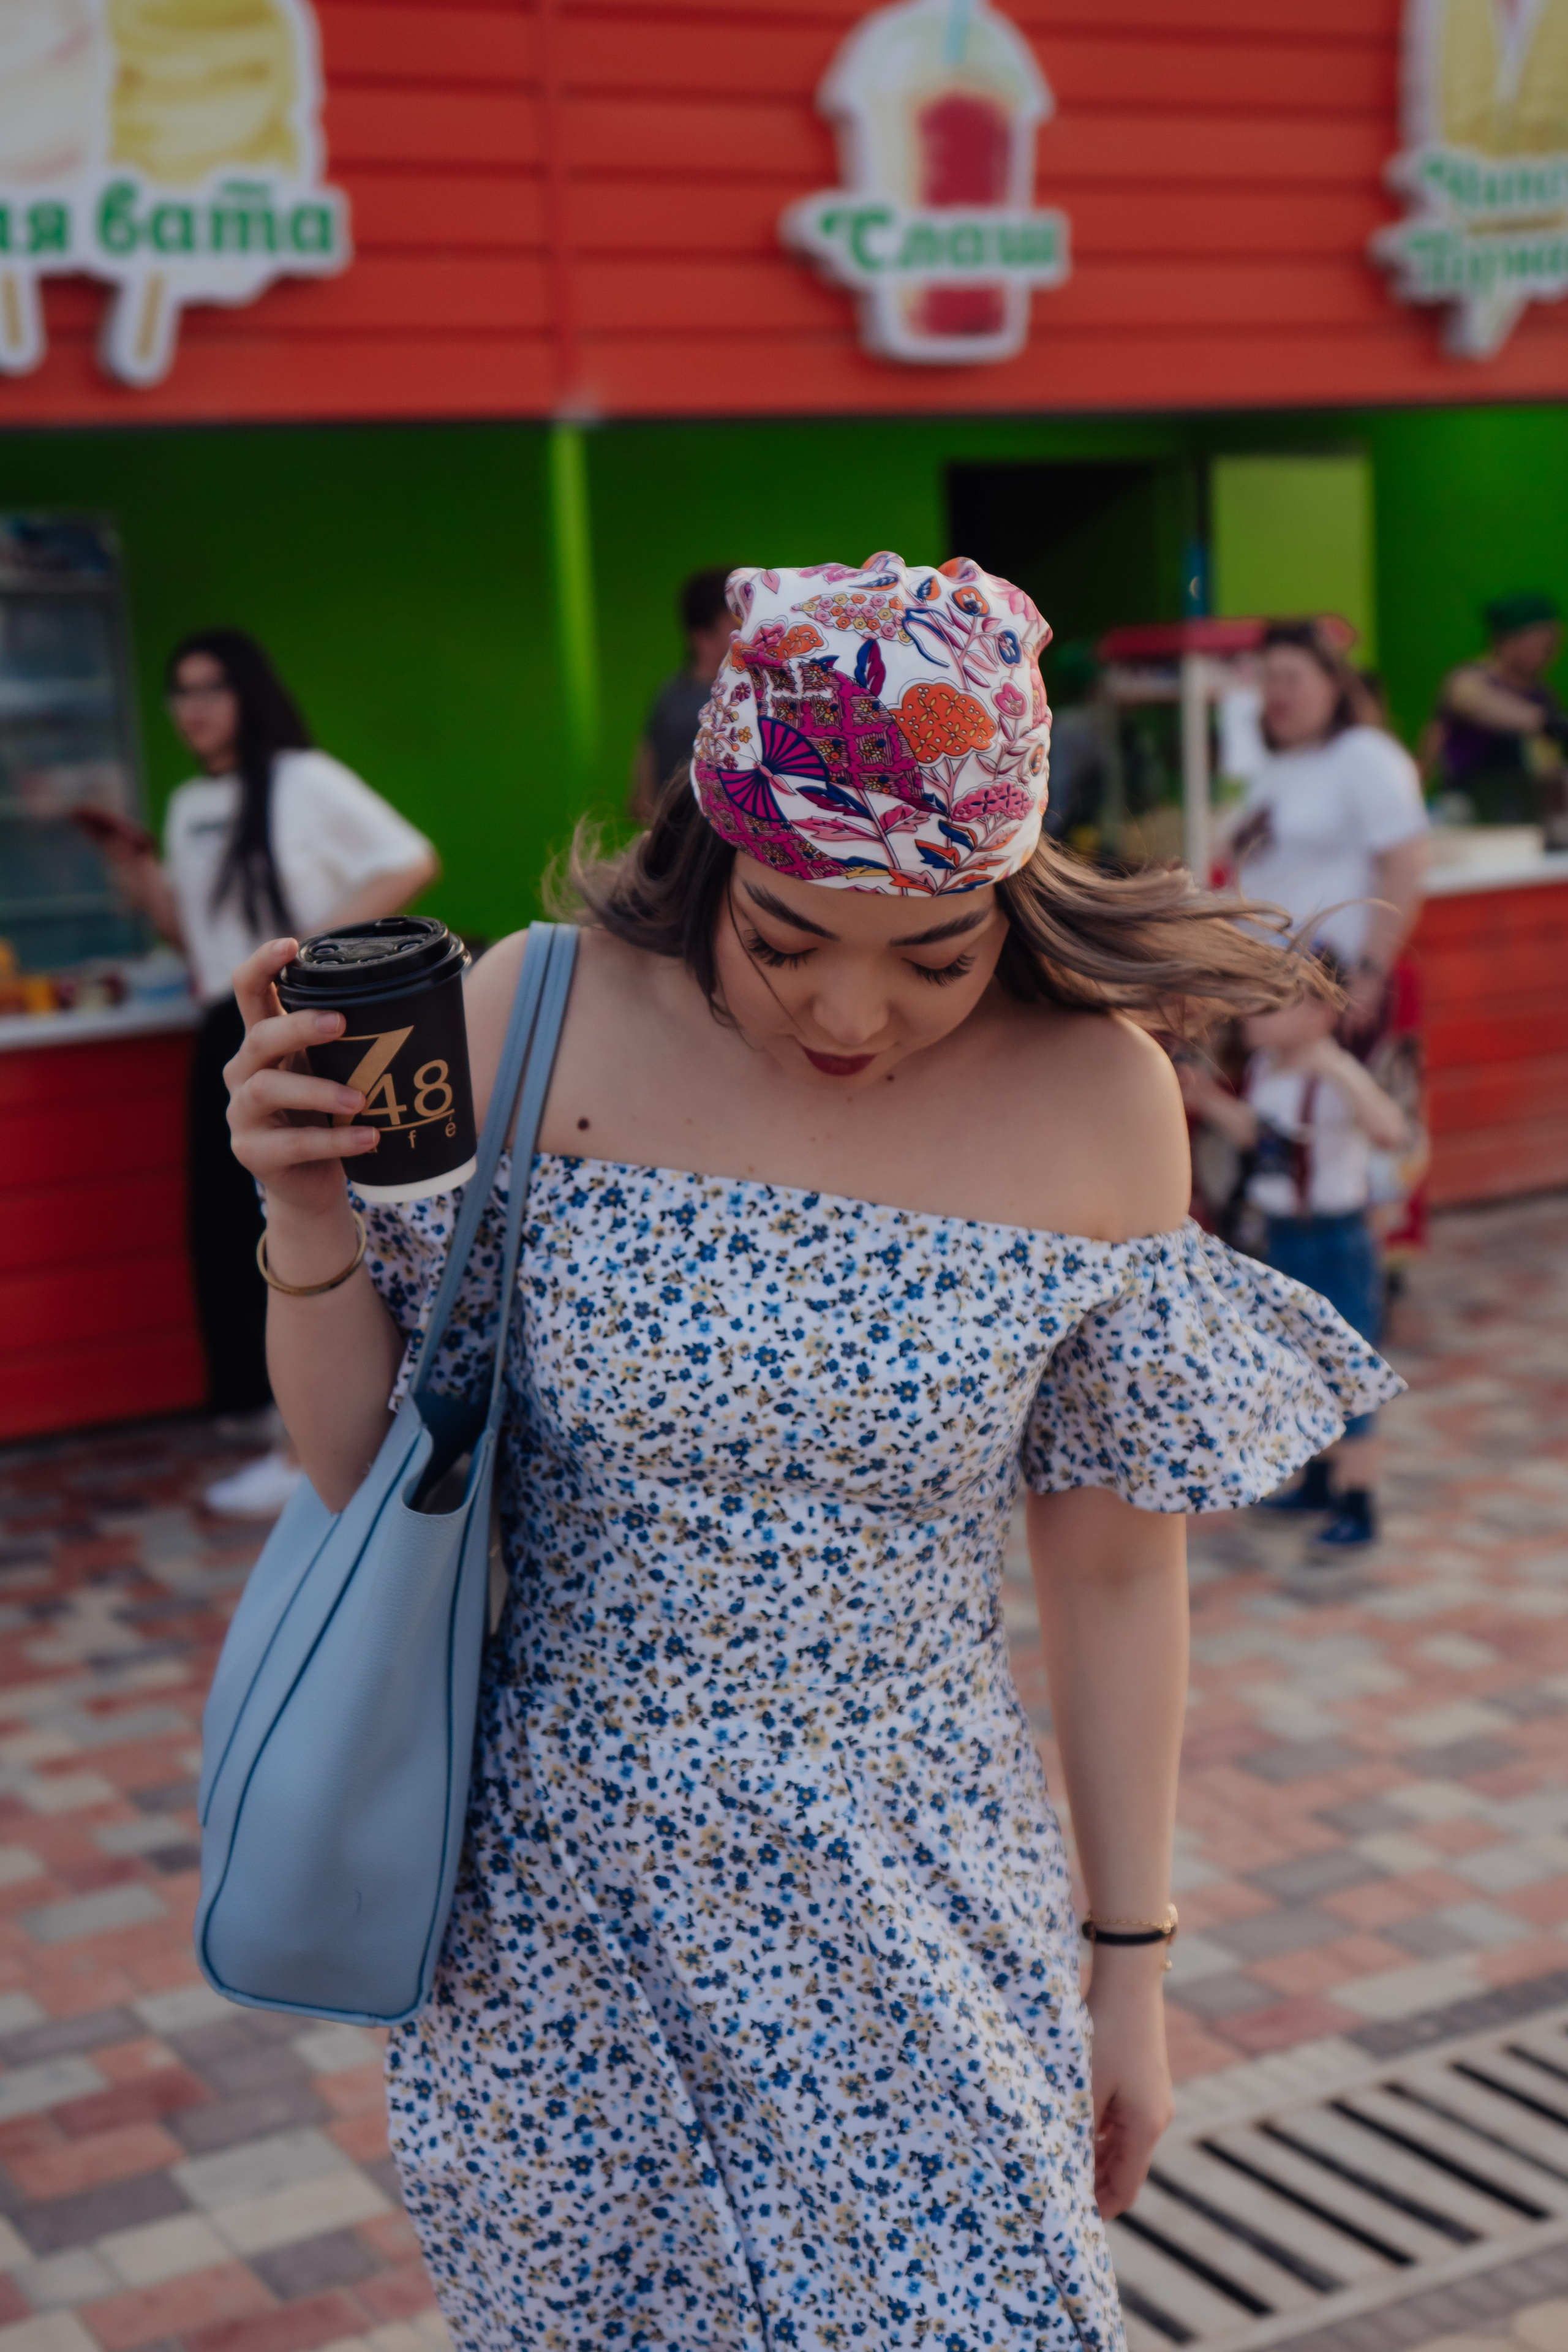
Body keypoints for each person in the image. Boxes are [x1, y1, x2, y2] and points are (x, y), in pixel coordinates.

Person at [224, 555, 1395, 2350]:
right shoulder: (528, 1012)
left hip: (920, 1891)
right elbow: (357, 1458)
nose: (851, 1016)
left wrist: (1131, 1967)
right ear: (710, 843)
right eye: (783, 941)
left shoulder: (1097, 1097)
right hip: (553, 1908)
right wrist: (308, 1209)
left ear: (1011, 879)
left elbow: (1106, 1567)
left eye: (932, 954)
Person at [93, 628, 437, 1518]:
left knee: (302, 1213)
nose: (193, 708)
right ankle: (279, 1426)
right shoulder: (190, 803)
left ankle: (302, 1454)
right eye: (180, 691)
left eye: (211, 687)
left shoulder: (303, 778)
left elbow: (410, 859)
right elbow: (197, 938)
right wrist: (138, 881)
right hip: (224, 1023)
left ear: (249, 693)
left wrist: (305, 960)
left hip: (292, 1022)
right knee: (225, 1222)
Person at [1178, 959, 1409, 1551]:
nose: (1249, 1020)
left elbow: (1389, 1132)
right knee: (1298, 1363)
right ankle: (1318, 1478)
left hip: (1335, 1240)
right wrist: (1204, 1099)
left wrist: (1337, 1070)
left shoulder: (1335, 1073)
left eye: (1267, 1008)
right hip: (1279, 1236)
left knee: (1347, 1369)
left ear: (1317, 1014)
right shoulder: (1262, 1070)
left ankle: (1358, 1502)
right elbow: (1259, 1136)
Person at [1226, 618, 1431, 1046]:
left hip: (1333, 994)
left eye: (1291, 678)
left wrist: (1370, 974)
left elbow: (1407, 864)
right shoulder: (1273, 770)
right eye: (1268, 678)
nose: (1277, 692)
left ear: (1332, 685)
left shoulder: (1365, 755)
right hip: (1270, 996)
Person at [1428, 590, 1568, 841]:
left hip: (1523, 810)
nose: (1546, 653)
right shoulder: (1469, 679)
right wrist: (1548, 723)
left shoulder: (1543, 693)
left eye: (1551, 645)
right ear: (1506, 641)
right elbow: (1477, 703)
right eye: (1537, 643)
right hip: (1470, 812)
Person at [626, 565, 736, 826]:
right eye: (735, 621)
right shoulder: (718, 706)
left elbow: (640, 801)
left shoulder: (668, 693)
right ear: (702, 638)